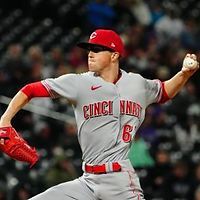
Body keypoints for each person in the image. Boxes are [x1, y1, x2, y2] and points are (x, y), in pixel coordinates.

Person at [0, 29, 199, 200]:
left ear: (114, 55)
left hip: (119, 181)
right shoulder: (78, 83)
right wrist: (5, 119)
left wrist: (184, 73)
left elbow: (164, 91)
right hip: (87, 180)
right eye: (88, 50)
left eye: (96, 49)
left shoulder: (137, 83)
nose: (90, 54)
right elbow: (30, 90)